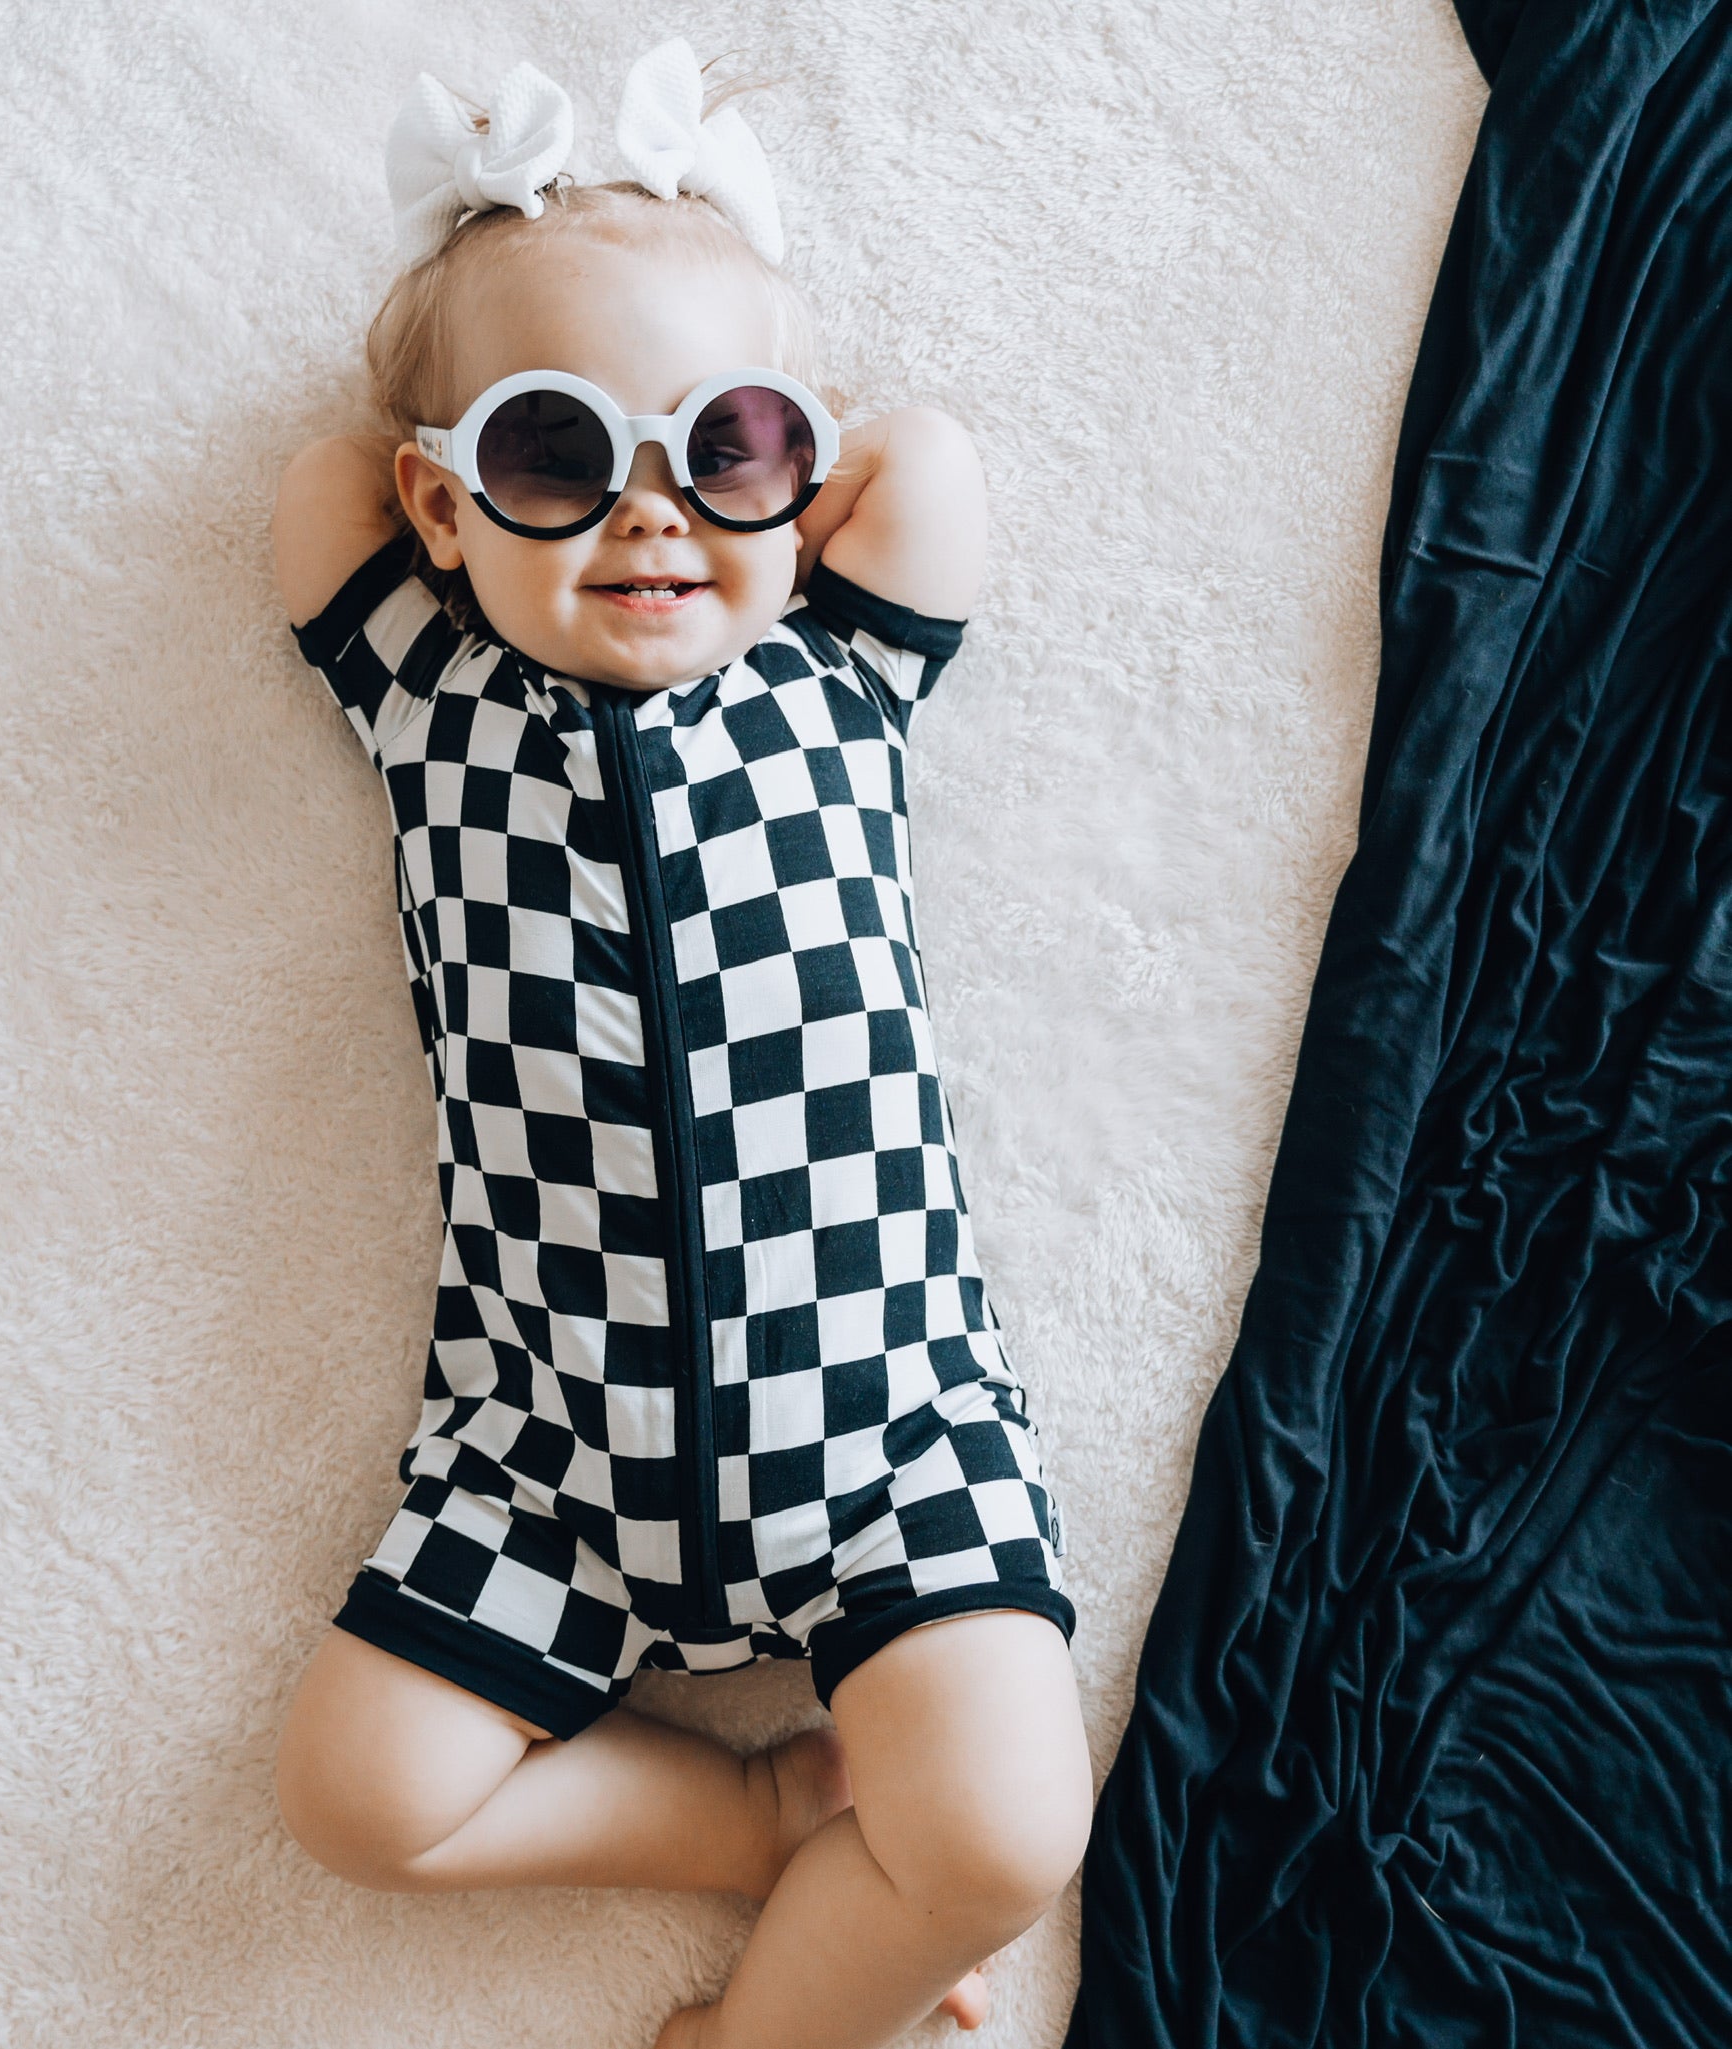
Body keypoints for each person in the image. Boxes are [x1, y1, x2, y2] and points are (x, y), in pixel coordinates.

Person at [270, 42, 1093, 2049]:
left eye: (724, 446)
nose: (649, 513)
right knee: (356, 1798)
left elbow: (929, 459)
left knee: (1006, 1831)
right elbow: (316, 493)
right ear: (441, 503)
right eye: (558, 455)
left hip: (892, 1437)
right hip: (543, 1458)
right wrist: (479, 244)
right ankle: (754, 1814)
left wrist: (758, 454)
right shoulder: (429, 699)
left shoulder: (837, 678)